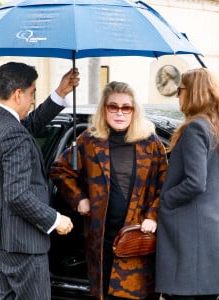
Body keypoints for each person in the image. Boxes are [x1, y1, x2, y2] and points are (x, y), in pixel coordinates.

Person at [50, 81, 168, 300]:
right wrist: (79, 199)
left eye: (126, 107)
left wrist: (153, 216)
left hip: (138, 235)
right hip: (101, 237)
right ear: (104, 109)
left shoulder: (150, 143)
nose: (119, 113)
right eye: (113, 107)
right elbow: (59, 170)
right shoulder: (88, 140)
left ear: (134, 110)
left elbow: (166, 185)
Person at [0, 62, 79, 300]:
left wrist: (59, 94)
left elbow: (26, 127)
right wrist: (54, 219)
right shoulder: (12, 133)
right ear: (18, 94)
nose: (32, 101)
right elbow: (17, 195)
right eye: (32, 94)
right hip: (22, 243)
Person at [155, 68, 219, 300]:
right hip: (212, 227)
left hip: (188, 231)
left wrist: (167, 200)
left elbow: (195, 182)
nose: (177, 96)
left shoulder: (195, 128)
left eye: (180, 90)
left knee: (180, 296)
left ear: (193, 93)